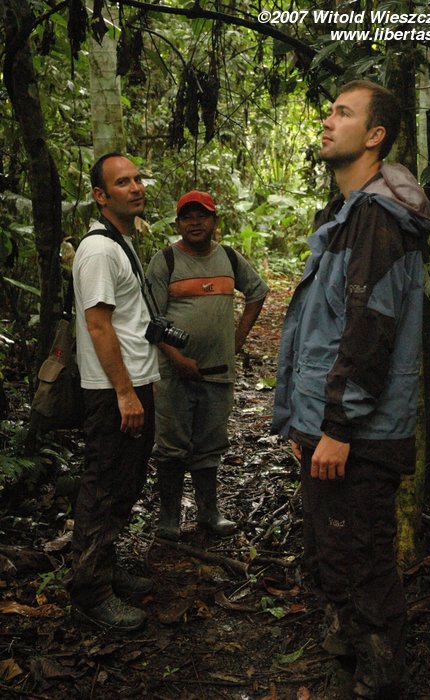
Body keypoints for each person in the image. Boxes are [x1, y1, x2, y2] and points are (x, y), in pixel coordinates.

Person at [272, 81, 430, 699]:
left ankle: (379, 678)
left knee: (363, 557)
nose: (327, 120)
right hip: (330, 422)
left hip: (361, 432)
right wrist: (305, 421)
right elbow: (323, 326)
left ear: (375, 136)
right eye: (329, 110)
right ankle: (345, 649)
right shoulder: (343, 214)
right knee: (330, 549)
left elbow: (370, 331)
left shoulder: (376, 218)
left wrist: (337, 428)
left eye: (343, 113)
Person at [70, 153, 160, 632]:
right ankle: (91, 591)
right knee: (104, 487)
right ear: (100, 196)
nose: (136, 187)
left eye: (137, 178)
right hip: (113, 390)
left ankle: (103, 567)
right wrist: (124, 393)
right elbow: (99, 325)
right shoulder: (100, 251)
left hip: (132, 383)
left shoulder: (121, 243)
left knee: (123, 485)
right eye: (122, 182)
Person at [146, 190, 269, 540]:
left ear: (215, 221)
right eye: (187, 217)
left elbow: (258, 292)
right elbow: (151, 320)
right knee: (171, 445)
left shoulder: (228, 257)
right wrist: (177, 358)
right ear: (178, 224)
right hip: (173, 374)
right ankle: (169, 517)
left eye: (202, 216)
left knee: (211, 442)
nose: (195, 223)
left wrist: (237, 340)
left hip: (218, 373)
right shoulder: (165, 261)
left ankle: (208, 513)